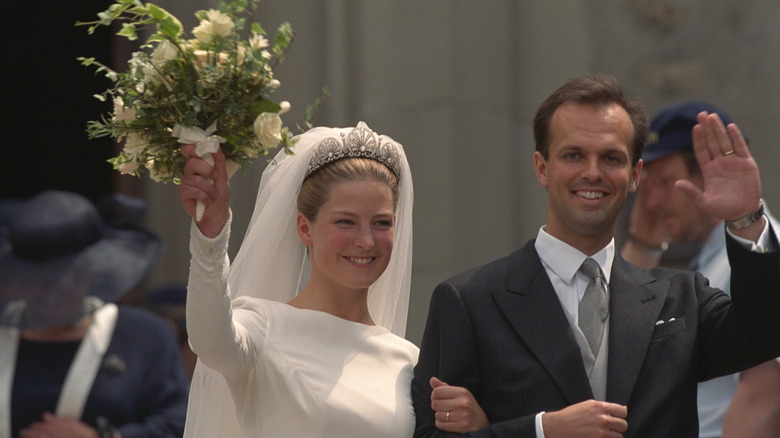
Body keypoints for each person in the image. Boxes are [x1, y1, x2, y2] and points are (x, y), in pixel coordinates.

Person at [412, 74, 780, 437]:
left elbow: (763, 334)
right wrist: (542, 430)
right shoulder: (469, 302)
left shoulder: (683, 298)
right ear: (542, 167)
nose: (592, 173)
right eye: (573, 155)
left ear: (635, 174)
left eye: (610, 158)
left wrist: (745, 219)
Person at [177, 121, 418, 437]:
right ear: (305, 228)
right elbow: (208, 341)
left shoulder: (409, 359)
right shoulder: (262, 329)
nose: (366, 241)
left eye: (381, 223)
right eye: (346, 221)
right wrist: (211, 233)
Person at [620, 101, 780, 438]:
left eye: (664, 182)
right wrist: (644, 247)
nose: (651, 201)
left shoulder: (762, 253)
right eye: (647, 186)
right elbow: (616, 334)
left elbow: (766, 398)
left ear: (711, 173)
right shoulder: (704, 260)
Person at [0, 190, 189, 438]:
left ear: (92, 271)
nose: (51, 291)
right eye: (37, 279)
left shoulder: (144, 335)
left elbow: (179, 424)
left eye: (65, 277)